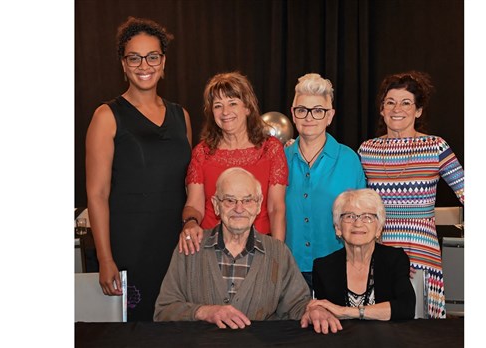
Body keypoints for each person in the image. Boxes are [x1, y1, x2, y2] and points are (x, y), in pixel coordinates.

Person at [85, 17, 192, 321]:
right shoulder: (106, 116)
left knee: (177, 329)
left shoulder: (180, 115)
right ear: (123, 63)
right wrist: (106, 258)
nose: (144, 65)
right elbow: (97, 194)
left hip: (176, 248)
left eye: (152, 56)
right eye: (134, 57)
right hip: (129, 246)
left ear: (163, 62)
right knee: (135, 332)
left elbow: (188, 184)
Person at [155, 167, 342, 334]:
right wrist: (205, 312)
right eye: (229, 200)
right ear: (215, 204)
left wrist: (313, 310)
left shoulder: (278, 252)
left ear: (259, 204)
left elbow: (297, 305)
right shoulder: (191, 247)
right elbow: (163, 311)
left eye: (247, 200)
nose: (239, 208)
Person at [357, 71, 464, 318]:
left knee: (420, 328)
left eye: (406, 103)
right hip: (379, 251)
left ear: (418, 111)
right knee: (380, 325)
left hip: (421, 251)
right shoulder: (367, 150)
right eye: (390, 102)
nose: (398, 109)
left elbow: (465, 190)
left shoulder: (435, 147)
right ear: (382, 110)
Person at [179, 72, 287, 255]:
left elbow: (276, 208)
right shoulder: (202, 153)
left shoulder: (271, 149)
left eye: (233, 103)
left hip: (259, 249)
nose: (225, 112)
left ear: (247, 107)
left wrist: (276, 255)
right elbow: (194, 205)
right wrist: (190, 222)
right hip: (211, 250)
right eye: (218, 106)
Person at [284, 73, 366, 292]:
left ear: (330, 116)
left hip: (338, 270)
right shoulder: (279, 159)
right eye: (302, 110)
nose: (309, 117)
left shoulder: (349, 160)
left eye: (318, 111)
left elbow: (363, 219)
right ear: (293, 114)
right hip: (288, 271)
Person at [310, 189, 415, 320]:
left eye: (367, 217)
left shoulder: (395, 259)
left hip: (388, 338)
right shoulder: (323, 267)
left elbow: (406, 308)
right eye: (349, 216)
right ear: (337, 228)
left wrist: (346, 312)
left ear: (378, 229)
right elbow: (323, 313)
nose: (358, 223)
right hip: (340, 339)